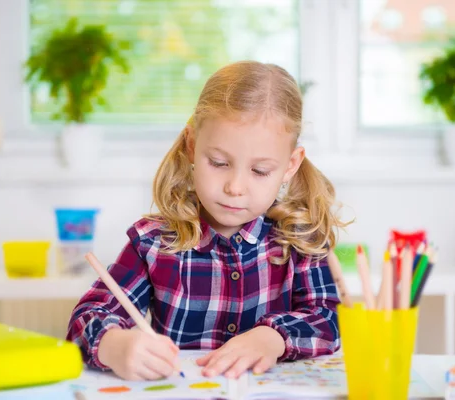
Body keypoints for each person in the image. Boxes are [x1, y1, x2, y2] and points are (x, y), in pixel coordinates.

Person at [66, 60, 349, 381]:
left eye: (259, 171)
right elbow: (87, 316)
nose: (235, 187)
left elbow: (330, 319)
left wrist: (274, 337)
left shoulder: (301, 239)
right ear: (191, 145)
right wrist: (115, 345)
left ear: (290, 165)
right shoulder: (152, 242)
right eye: (218, 162)